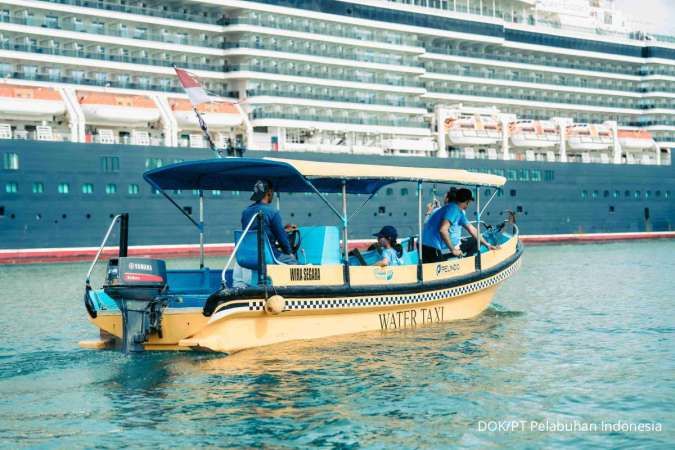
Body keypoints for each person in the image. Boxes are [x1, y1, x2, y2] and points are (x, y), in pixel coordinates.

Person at [422, 187, 497, 262]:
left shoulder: (455, 210)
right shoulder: (453, 209)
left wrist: (487, 244)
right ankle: (466, 263)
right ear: (467, 201)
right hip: (432, 247)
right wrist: (453, 249)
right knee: (439, 272)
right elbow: (443, 230)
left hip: (424, 244)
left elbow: (472, 229)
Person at [241, 179, 297, 264]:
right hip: (268, 256)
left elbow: (257, 231)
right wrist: (289, 252)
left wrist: (283, 229)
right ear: (269, 192)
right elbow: (282, 239)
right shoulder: (272, 212)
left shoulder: (245, 212)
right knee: (294, 262)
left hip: (249, 256)